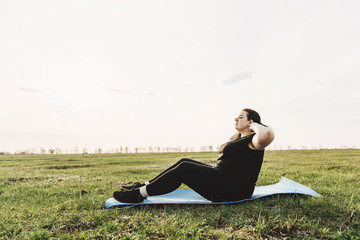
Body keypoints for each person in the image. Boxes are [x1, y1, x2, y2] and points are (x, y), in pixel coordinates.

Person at [113, 108, 275, 203]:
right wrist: (242, 127)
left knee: (184, 168)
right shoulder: (242, 138)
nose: (236, 118)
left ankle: (139, 195)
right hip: (224, 179)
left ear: (250, 122)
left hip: (234, 188)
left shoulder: (255, 141)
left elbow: (267, 133)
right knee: (184, 161)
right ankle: (143, 185)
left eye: (241, 117)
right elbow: (234, 140)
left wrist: (254, 125)